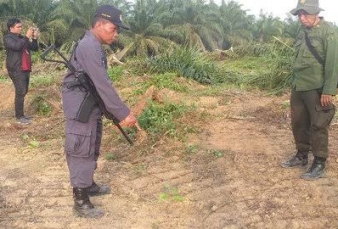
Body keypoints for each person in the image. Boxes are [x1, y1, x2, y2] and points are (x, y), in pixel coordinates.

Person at [61, 5, 137, 218]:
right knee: (80, 148)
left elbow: (99, 84)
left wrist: (113, 111)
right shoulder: (89, 46)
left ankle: (88, 183)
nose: (116, 33)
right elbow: (103, 84)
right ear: (99, 25)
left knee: (91, 144)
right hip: (81, 107)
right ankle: (80, 199)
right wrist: (123, 113)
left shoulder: (94, 45)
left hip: (90, 104)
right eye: (113, 28)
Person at [281, 0, 338, 180]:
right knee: (298, 122)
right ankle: (302, 155)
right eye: (299, 15)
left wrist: (328, 90)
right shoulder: (302, 31)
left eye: (305, 14)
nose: (301, 18)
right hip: (299, 85)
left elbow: (333, 63)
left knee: (318, 125)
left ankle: (319, 162)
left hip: (317, 88)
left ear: (315, 13)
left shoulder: (328, 31)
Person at [3, 18, 39, 125]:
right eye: (18, 27)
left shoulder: (22, 38)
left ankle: (21, 115)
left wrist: (35, 38)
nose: (20, 29)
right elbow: (17, 46)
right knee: (20, 91)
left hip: (25, 68)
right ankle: (19, 117)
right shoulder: (7, 38)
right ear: (11, 28)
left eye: (21, 26)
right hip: (16, 69)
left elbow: (34, 48)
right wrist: (27, 37)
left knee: (23, 91)